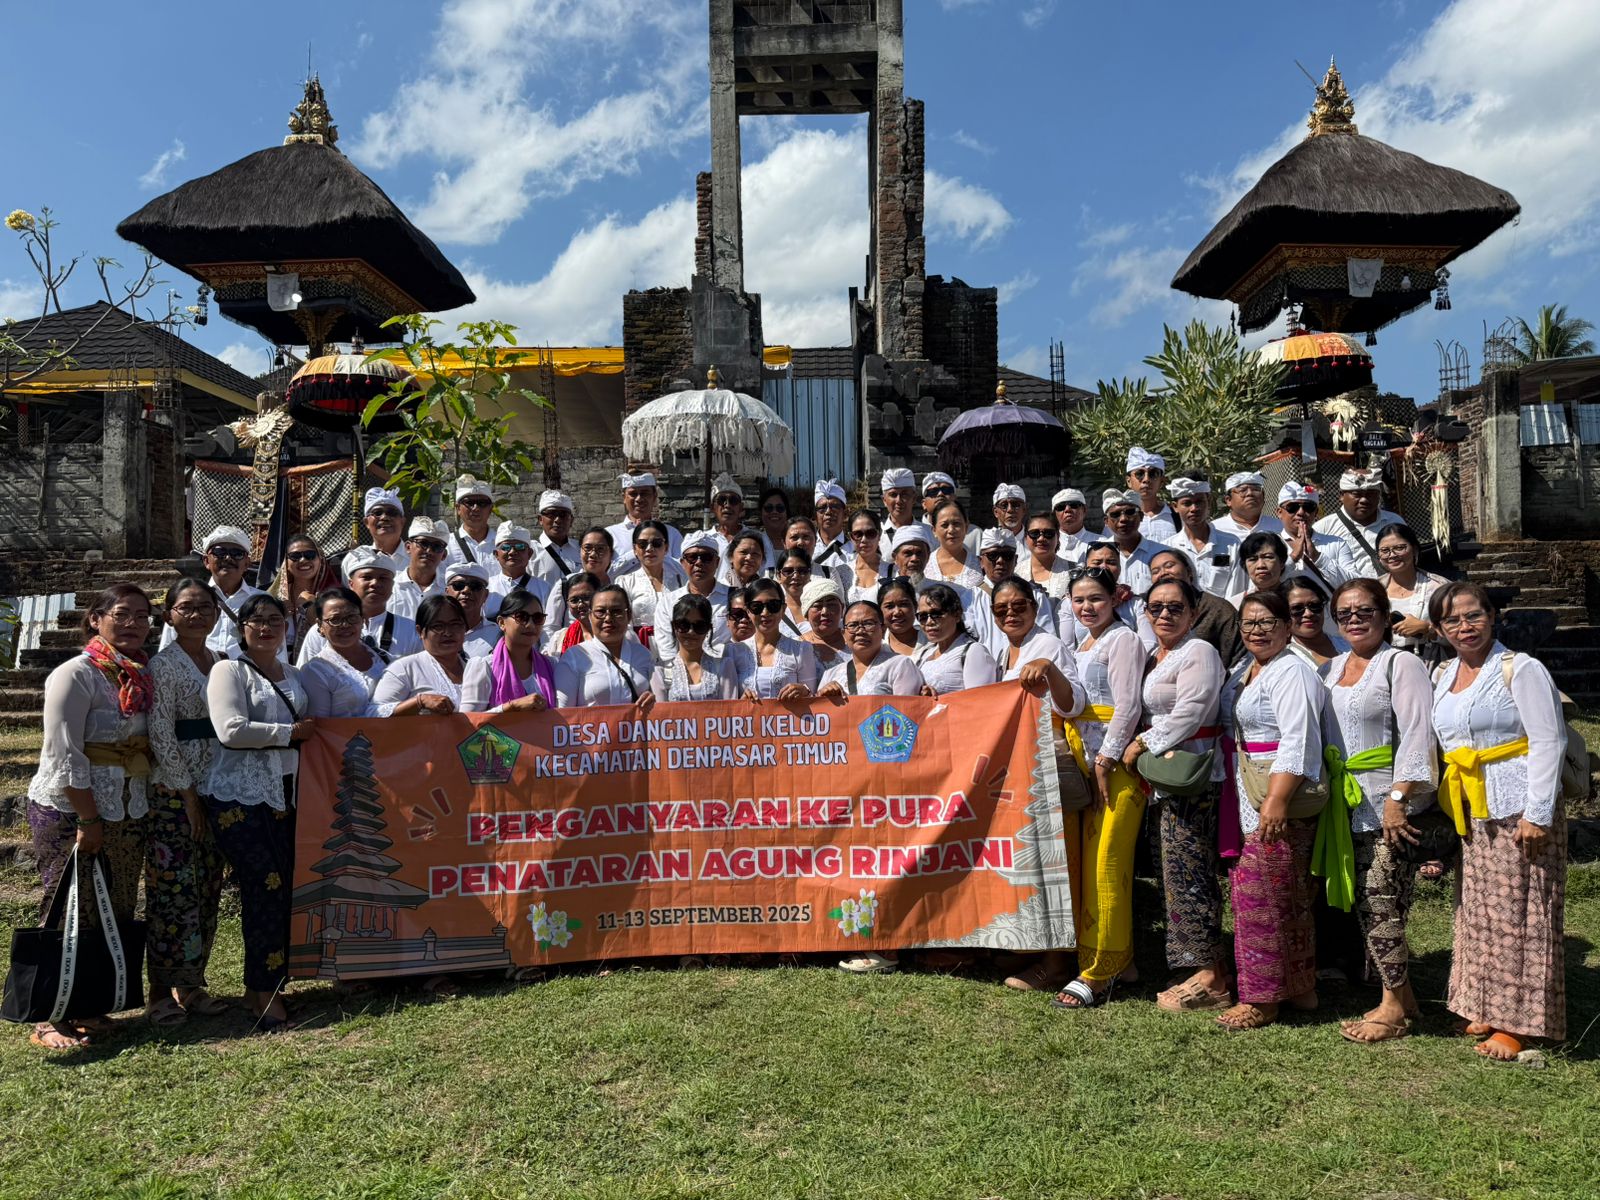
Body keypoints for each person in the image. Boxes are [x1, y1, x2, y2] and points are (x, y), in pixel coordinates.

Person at [1430, 581, 1567, 1060]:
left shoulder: (1521, 668)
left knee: (1522, 915)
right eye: (1452, 620)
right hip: (1474, 806)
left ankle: (1519, 1022)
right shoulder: (1444, 674)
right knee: (1481, 912)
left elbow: (1549, 741)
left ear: (1492, 617)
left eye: (1473, 616)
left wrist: (1539, 813)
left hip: (1518, 804)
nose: (1464, 627)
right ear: (1439, 628)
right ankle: (1484, 1003)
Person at [26, 584, 155, 1050]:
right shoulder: (74, 674)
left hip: (126, 804)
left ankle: (87, 1004)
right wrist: (87, 818)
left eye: (142, 616)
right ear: (96, 620)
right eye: (122, 614)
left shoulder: (137, 676)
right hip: (72, 807)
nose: (134, 624)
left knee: (111, 906)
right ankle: (47, 1017)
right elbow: (65, 752)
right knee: (66, 905)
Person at [1322, 579, 1447, 1043]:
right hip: (1344, 802)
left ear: (1384, 615)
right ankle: (1405, 994)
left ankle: (1393, 1004)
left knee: (1382, 899)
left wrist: (1398, 800)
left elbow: (1417, 732)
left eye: (1365, 611)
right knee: (1367, 900)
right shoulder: (1331, 668)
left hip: (1388, 803)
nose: (1354, 619)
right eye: (1345, 613)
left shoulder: (1402, 663)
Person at [1218, 589, 1326, 1030]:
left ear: (1287, 626)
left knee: (1263, 897)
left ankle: (1262, 998)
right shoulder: (1251, 667)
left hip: (1275, 791)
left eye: (1266, 623)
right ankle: (1300, 988)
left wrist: (1277, 801)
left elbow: (1298, 739)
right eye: (1248, 624)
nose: (1256, 631)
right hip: (1251, 785)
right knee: (1284, 895)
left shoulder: (1292, 672)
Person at [205, 593, 312, 1033]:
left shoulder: (293, 673)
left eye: (275, 619)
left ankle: (261, 986)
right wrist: (289, 733)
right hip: (240, 797)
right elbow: (230, 730)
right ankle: (266, 994)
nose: (266, 627)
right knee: (263, 888)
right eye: (256, 620)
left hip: (285, 793)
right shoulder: (227, 670)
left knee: (282, 889)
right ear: (241, 628)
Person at [1128, 578, 1229, 1014]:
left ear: (1193, 613)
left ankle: (1211, 975)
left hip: (1192, 773)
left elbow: (1193, 709)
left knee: (1190, 873)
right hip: (1163, 779)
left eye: (1174, 607)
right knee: (1173, 873)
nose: (1164, 615)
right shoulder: (1156, 656)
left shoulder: (1199, 652)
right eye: (1156, 608)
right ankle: (1190, 962)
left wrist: (1142, 743)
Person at [1051, 567, 1146, 1008]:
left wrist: (1107, 758)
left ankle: (1099, 971)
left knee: (1108, 865)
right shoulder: (1081, 643)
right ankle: (1119, 961)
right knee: (1090, 866)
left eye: (1096, 598)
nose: (1087, 606)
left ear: (1115, 599)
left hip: (1116, 765)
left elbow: (1127, 704)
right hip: (1086, 761)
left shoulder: (1123, 639)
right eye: (1079, 600)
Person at [818, 599, 927, 976]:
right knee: (854, 861)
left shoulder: (900, 665)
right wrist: (825, 701)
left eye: (868, 623)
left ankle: (888, 946)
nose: (860, 631)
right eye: (852, 625)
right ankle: (858, 937)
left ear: (883, 627)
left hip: (887, 781)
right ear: (843, 632)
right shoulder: (832, 670)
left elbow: (907, 718)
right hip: (846, 782)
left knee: (887, 861)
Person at [988, 577, 1084, 992]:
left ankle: (1057, 964)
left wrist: (1050, 670)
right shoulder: (1001, 651)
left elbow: (1073, 701)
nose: (1010, 612)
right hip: (1015, 769)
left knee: (1054, 864)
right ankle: (1035, 947)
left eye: (1019, 604)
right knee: (1028, 863)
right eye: (1001, 608)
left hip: (1049, 762)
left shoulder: (1050, 648)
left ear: (1035, 605)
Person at [144, 579, 228, 1028]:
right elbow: (160, 734)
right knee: (172, 891)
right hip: (176, 792)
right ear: (169, 615)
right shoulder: (162, 665)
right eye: (185, 607)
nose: (196, 614)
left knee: (207, 887)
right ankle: (159, 991)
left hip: (217, 784)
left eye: (204, 607)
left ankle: (192, 985)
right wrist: (189, 797)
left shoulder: (221, 661)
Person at [295, 547, 420, 666]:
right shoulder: (324, 629)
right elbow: (305, 676)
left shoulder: (410, 630)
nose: (375, 583)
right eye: (367, 577)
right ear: (351, 583)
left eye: (383, 578)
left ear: (392, 585)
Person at [159, 525, 269, 658]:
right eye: (219, 552)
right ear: (206, 561)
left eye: (237, 553)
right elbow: (167, 650)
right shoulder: (185, 599)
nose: (228, 558)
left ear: (247, 563)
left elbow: (277, 651)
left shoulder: (263, 601)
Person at [555, 584, 656, 710]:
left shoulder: (643, 654)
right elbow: (563, 714)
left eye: (616, 611)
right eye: (600, 612)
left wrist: (653, 701)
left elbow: (661, 706)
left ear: (629, 615)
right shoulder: (574, 657)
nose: (608, 618)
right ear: (590, 616)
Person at [461, 589, 557, 714]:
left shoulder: (552, 665)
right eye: (522, 617)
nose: (530, 625)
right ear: (501, 623)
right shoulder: (484, 667)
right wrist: (512, 707)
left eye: (537, 618)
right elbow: (467, 722)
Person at [373, 595, 472, 717]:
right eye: (438, 626)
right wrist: (419, 702)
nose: (448, 633)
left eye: (455, 624)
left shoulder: (474, 667)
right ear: (420, 631)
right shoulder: (405, 668)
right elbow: (373, 713)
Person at [300, 586, 386, 718]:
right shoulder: (315, 671)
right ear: (320, 626)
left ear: (362, 619)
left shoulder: (383, 658)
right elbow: (320, 727)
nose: (345, 625)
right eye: (335, 620)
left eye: (351, 617)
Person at [1150, 548, 1242, 668]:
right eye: (1155, 571)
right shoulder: (1149, 609)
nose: (1163, 573)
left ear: (1189, 572)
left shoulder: (1218, 609)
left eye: (1169, 566)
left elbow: (1236, 658)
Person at [652, 529, 731, 660]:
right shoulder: (668, 602)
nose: (699, 563)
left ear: (717, 562)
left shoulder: (733, 598)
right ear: (682, 563)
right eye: (692, 557)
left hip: (725, 671)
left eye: (706, 557)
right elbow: (667, 650)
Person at [1314, 467, 1404, 579]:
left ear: (1378, 495)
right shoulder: (1323, 528)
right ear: (1341, 496)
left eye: (1370, 494)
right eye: (1357, 494)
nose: (1364, 500)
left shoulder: (1394, 522)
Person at [1162, 475, 1244, 598]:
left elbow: (1236, 590)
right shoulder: (1167, 549)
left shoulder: (1231, 544)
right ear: (1175, 507)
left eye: (1199, 501)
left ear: (1209, 502)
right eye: (1187, 503)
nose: (1194, 508)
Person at [650, 594, 743, 701]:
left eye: (699, 626)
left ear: (708, 628)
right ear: (673, 626)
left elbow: (730, 711)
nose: (691, 632)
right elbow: (661, 714)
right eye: (683, 625)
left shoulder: (724, 667)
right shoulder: (660, 672)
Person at [914, 582, 998, 695]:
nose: (929, 622)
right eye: (923, 616)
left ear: (957, 615)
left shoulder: (974, 652)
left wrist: (937, 700)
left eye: (936, 614)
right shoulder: (925, 654)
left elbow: (979, 703)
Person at [740, 579, 818, 700]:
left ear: (783, 609)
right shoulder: (734, 652)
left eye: (773, 605)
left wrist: (804, 692)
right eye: (757, 607)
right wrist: (739, 701)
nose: (765, 613)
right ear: (748, 611)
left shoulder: (802, 650)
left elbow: (815, 699)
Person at [1378, 523, 1445, 658]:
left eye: (1399, 548)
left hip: (1429, 661)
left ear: (1415, 550)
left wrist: (1427, 629)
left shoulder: (1438, 587)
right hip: (1385, 662)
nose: (1392, 555)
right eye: (1385, 550)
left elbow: (1459, 631)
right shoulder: (1374, 590)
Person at [1275, 481, 1356, 591]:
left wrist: (1318, 557)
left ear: (1316, 512)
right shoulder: (1269, 545)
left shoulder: (1336, 543)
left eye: (1308, 507)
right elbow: (1264, 583)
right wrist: (1293, 557)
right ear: (1279, 512)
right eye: (1292, 507)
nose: (1301, 512)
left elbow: (1354, 585)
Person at [270, 532, 338, 661]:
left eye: (310, 555)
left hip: (322, 668)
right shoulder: (273, 597)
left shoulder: (336, 598)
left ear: (321, 559)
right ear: (286, 562)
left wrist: (311, 608)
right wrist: (278, 614)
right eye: (295, 556)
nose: (303, 560)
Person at [616, 519, 685, 636]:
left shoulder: (681, 580)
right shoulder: (625, 582)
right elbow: (622, 623)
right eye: (642, 544)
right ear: (635, 549)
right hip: (640, 646)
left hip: (676, 644)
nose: (649, 549)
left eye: (656, 543)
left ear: (666, 547)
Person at [608, 471, 683, 576]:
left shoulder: (672, 534)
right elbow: (606, 573)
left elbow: (682, 570)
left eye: (644, 493)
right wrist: (636, 553)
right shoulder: (610, 535)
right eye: (633, 494)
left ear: (654, 497)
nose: (639, 499)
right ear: (624, 497)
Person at [1099, 489, 1159, 594]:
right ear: (1106, 521)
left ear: (1141, 516)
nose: (1123, 519)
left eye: (1130, 512)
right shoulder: (1098, 555)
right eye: (1115, 514)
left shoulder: (1159, 553)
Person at [487, 521, 552, 617]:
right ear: (496, 554)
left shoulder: (544, 588)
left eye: (520, 547)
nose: (512, 552)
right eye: (505, 547)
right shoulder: (486, 587)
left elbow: (549, 625)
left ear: (529, 554)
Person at [389, 517, 449, 620]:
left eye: (437, 546)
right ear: (408, 547)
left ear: (444, 555)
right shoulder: (390, 586)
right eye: (423, 543)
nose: (429, 551)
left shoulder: (449, 590)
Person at [1282, 576, 1348, 666]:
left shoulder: (1349, 644)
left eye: (1314, 605)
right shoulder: (1286, 661)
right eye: (1297, 608)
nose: (1308, 613)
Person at [445, 561, 499, 659]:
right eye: (458, 585)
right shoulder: (433, 632)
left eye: (475, 586)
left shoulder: (498, 636)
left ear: (486, 595)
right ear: (447, 592)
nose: (466, 590)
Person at [443, 474, 497, 568]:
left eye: (482, 503)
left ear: (490, 509)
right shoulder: (446, 545)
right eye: (469, 503)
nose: (476, 508)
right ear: (458, 508)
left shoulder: (503, 544)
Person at [1126, 446, 1180, 539]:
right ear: (1129, 481)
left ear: (1162, 481)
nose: (1146, 479)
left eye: (1153, 474)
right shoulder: (1119, 517)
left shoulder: (1177, 516)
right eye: (1139, 474)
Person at [1212, 471, 1282, 542]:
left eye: (1256, 489)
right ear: (1228, 500)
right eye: (1242, 490)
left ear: (1263, 497)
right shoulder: (1214, 530)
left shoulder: (1280, 528)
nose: (1250, 493)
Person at [927, 499, 982, 588]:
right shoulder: (925, 564)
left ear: (966, 527)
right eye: (944, 525)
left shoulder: (981, 564)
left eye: (956, 524)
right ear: (934, 530)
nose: (951, 530)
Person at [533, 490, 581, 587]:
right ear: (540, 519)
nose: (557, 520)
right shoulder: (530, 551)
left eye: (563, 515)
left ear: (571, 520)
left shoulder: (580, 549)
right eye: (551, 514)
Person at [546, 570, 600, 657]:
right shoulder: (560, 638)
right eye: (574, 600)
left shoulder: (615, 633)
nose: (581, 604)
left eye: (586, 597)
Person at [801, 578, 849, 672]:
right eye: (817, 606)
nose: (825, 612)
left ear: (842, 608)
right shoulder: (797, 647)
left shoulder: (855, 641)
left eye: (831, 605)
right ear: (806, 613)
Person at [1023, 512, 1076, 598]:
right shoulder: (1015, 572)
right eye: (1034, 533)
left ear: (1058, 536)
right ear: (1025, 537)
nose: (1041, 539)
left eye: (1048, 533)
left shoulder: (1074, 570)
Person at [844, 509, 891, 602]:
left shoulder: (893, 571)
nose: (864, 540)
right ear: (850, 537)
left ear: (879, 534)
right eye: (858, 534)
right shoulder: (843, 572)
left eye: (870, 533)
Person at [1234, 530, 1289, 605]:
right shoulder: (1235, 605)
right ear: (1245, 566)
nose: (1260, 565)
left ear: (1282, 562)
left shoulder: (1298, 599)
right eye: (1253, 559)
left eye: (1268, 557)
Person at [812, 479, 852, 573]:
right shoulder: (807, 547)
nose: (828, 511)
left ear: (845, 514)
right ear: (815, 515)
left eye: (835, 506)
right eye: (822, 507)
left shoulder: (855, 550)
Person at [878, 467, 920, 557]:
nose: (899, 500)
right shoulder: (875, 535)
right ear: (884, 500)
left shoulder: (929, 533)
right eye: (893, 495)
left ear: (914, 498)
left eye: (904, 494)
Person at [878, 577, 924, 656]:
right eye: (889, 606)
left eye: (903, 604)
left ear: (915, 606)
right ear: (880, 611)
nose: (897, 612)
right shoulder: (876, 649)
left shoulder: (933, 643)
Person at [776, 548, 815, 638]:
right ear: (779, 575)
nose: (795, 576)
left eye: (802, 571)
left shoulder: (822, 606)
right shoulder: (773, 608)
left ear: (809, 574)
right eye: (788, 571)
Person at [708, 473, 748, 560]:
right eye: (721, 500)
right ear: (712, 507)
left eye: (733, 500)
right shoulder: (706, 539)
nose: (727, 505)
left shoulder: (755, 539)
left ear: (741, 508)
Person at [361, 487, 407, 559]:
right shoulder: (357, 559)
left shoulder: (418, 559)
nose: (384, 517)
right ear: (366, 522)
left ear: (402, 522)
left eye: (392, 513)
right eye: (377, 513)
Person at [1052, 487, 1099, 558]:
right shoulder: (1045, 545)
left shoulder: (1101, 543)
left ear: (1084, 510)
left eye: (1074, 505)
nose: (1067, 509)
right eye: (1061, 507)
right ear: (1054, 514)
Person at [723, 529, 769, 594]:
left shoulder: (765, 590)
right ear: (731, 556)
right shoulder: (720, 587)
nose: (749, 558)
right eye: (743, 552)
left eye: (755, 554)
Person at [756, 486, 790, 570]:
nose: (774, 512)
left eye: (780, 508)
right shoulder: (755, 543)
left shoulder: (797, 542)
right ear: (761, 512)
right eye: (768, 508)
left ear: (787, 512)